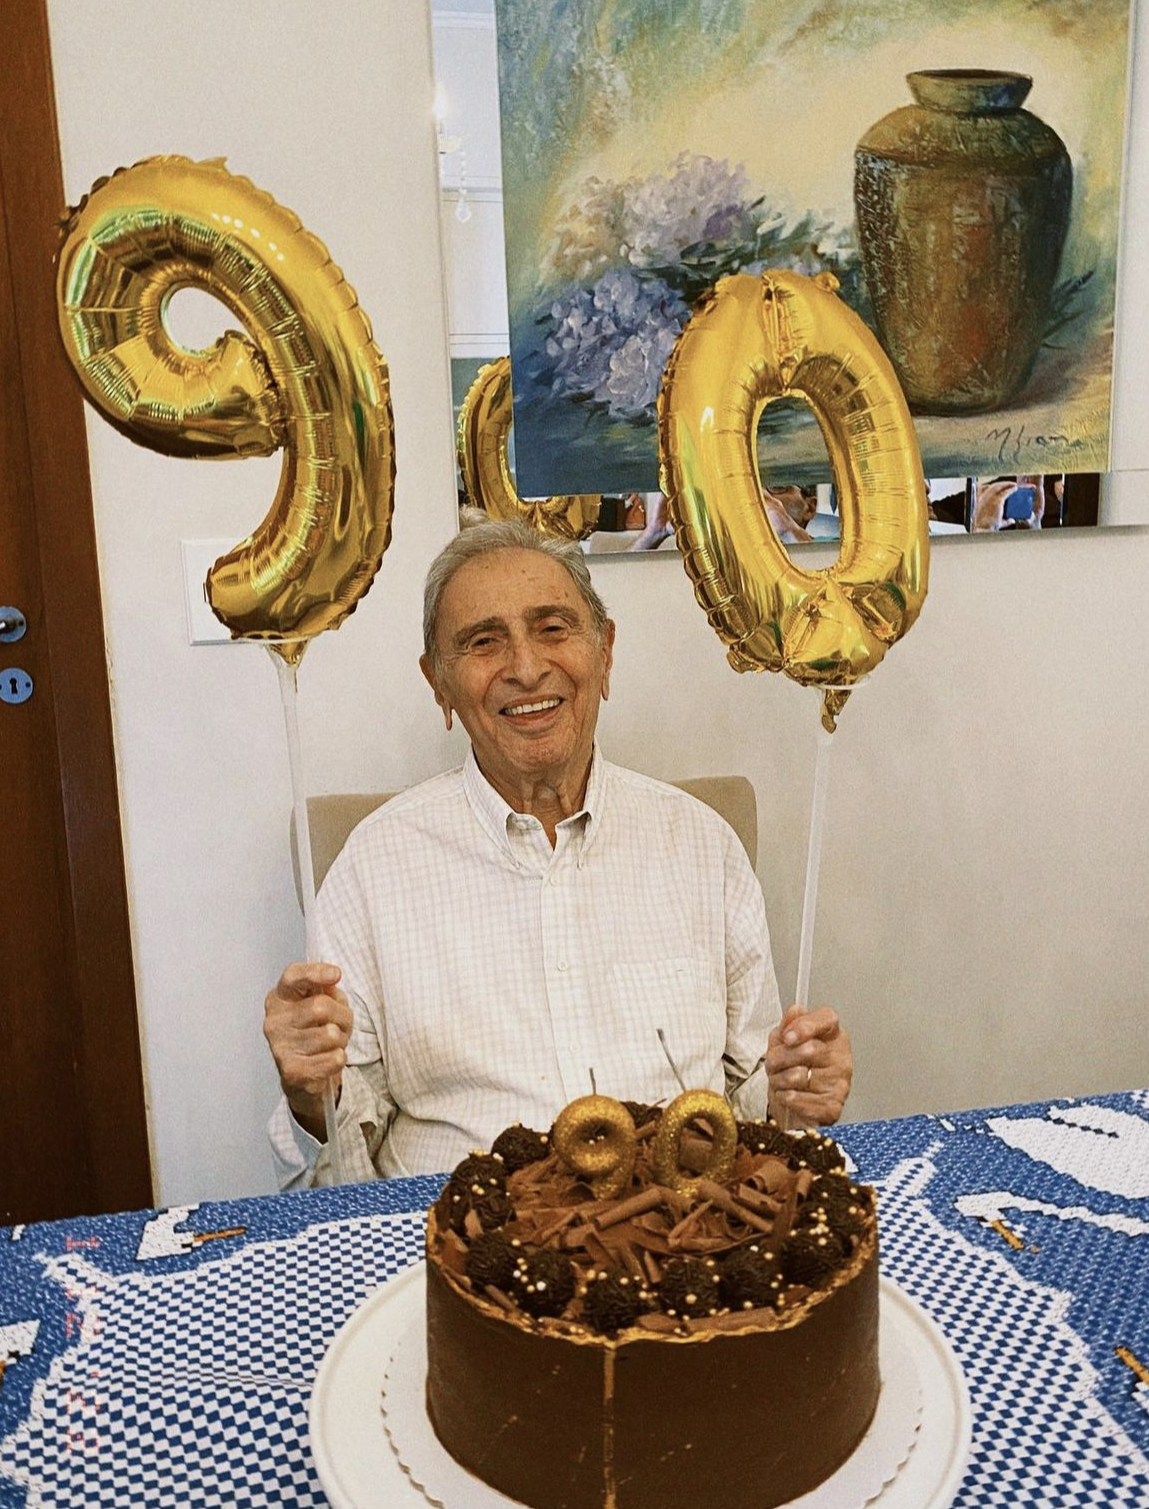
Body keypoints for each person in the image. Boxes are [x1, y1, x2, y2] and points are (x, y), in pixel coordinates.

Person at [264, 519, 853, 1187]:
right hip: (462, 1233)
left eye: (552, 628)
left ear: (604, 653)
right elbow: (333, 1159)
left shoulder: (702, 844)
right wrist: (311, 1094)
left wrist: (796, 1092)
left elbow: (755, 1107)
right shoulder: (372, 867)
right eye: (483, 641)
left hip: (677, 1223)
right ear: (438, 684)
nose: (525, 668)